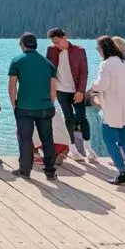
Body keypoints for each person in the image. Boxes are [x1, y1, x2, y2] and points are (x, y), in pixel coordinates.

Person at [89, 36, 125, 185]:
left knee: (108, 139)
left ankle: (122, 171)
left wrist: (92, 85)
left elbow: (101, 85)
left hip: (114, 109)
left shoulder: (106, 64)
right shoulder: (124, 63)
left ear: (102, 49)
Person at [9, 32, 58, 180]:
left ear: (22, 44)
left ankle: (25, 170)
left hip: (24, 107)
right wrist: (51, 103)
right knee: (47, 139)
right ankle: (50, 171)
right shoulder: (47, 63)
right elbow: (53, 87)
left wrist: (14, 105)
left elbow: (12, 86)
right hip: (45, 107)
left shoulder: (17, 61)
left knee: (25, 139)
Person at [46, 29, 95, 163]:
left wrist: (81, 91)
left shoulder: (79, 50)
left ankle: (88, 148)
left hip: (76, 90)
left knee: (82, 117)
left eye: (58, 42)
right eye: (53, 42)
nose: (56, 45)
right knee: (68, 118)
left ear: (65, 37)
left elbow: (84, 72)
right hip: (61, 90)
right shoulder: (51, 51)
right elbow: (48, 71)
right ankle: (72, 149)